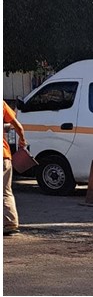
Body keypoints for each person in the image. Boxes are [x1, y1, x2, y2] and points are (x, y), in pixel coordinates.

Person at [4, 101, 27, 236]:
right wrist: (22, 140)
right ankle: (10, 223)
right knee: (5, 192)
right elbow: (18, 126)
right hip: (4, 156)